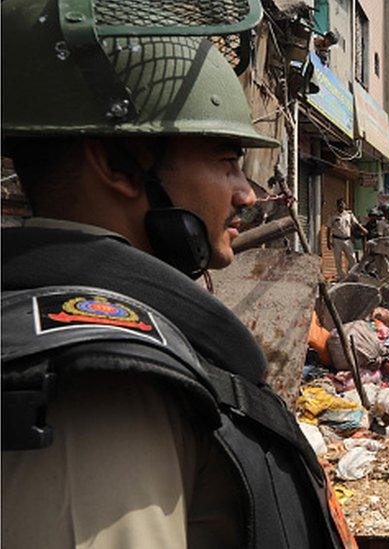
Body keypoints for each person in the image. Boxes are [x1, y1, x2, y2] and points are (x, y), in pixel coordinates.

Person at [0, 1, 346, 546]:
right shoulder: (103, 385)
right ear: (117, 164)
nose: (246, 194)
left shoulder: (122, 334)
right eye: (225, 160)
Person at [327, 198, 365, 278]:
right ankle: (341, 276)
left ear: (345, 205)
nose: (341, 206)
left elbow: (356, 224)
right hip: (336, 240)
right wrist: (328, 241)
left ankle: (354, 275)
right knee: (338, 259)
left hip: (347, 240)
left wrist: (363, 230)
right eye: (339, 204)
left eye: (342, 204)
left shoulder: (349, 215)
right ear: (337, 206)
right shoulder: (333, 215)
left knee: (352, 258)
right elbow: (329, 228)